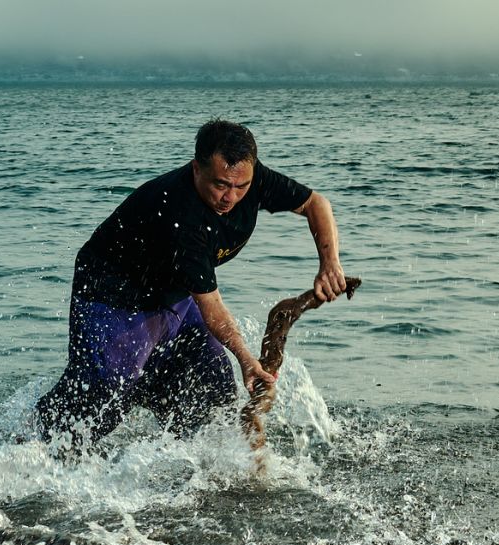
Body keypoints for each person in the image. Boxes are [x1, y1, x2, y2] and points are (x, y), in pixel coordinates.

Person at [36, 118, 346, 449]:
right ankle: (28, 444)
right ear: (196, 168)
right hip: (112, 297)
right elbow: (211, 307)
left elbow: (316, 204)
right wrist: (246, 358)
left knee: (215, 390)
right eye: (221, 185)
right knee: (107, 397)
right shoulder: (178, 213)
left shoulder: (250, 179)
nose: (231, 197)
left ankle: (198, 476)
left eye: (241, 186)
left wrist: (329, 264)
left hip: (173, 298)